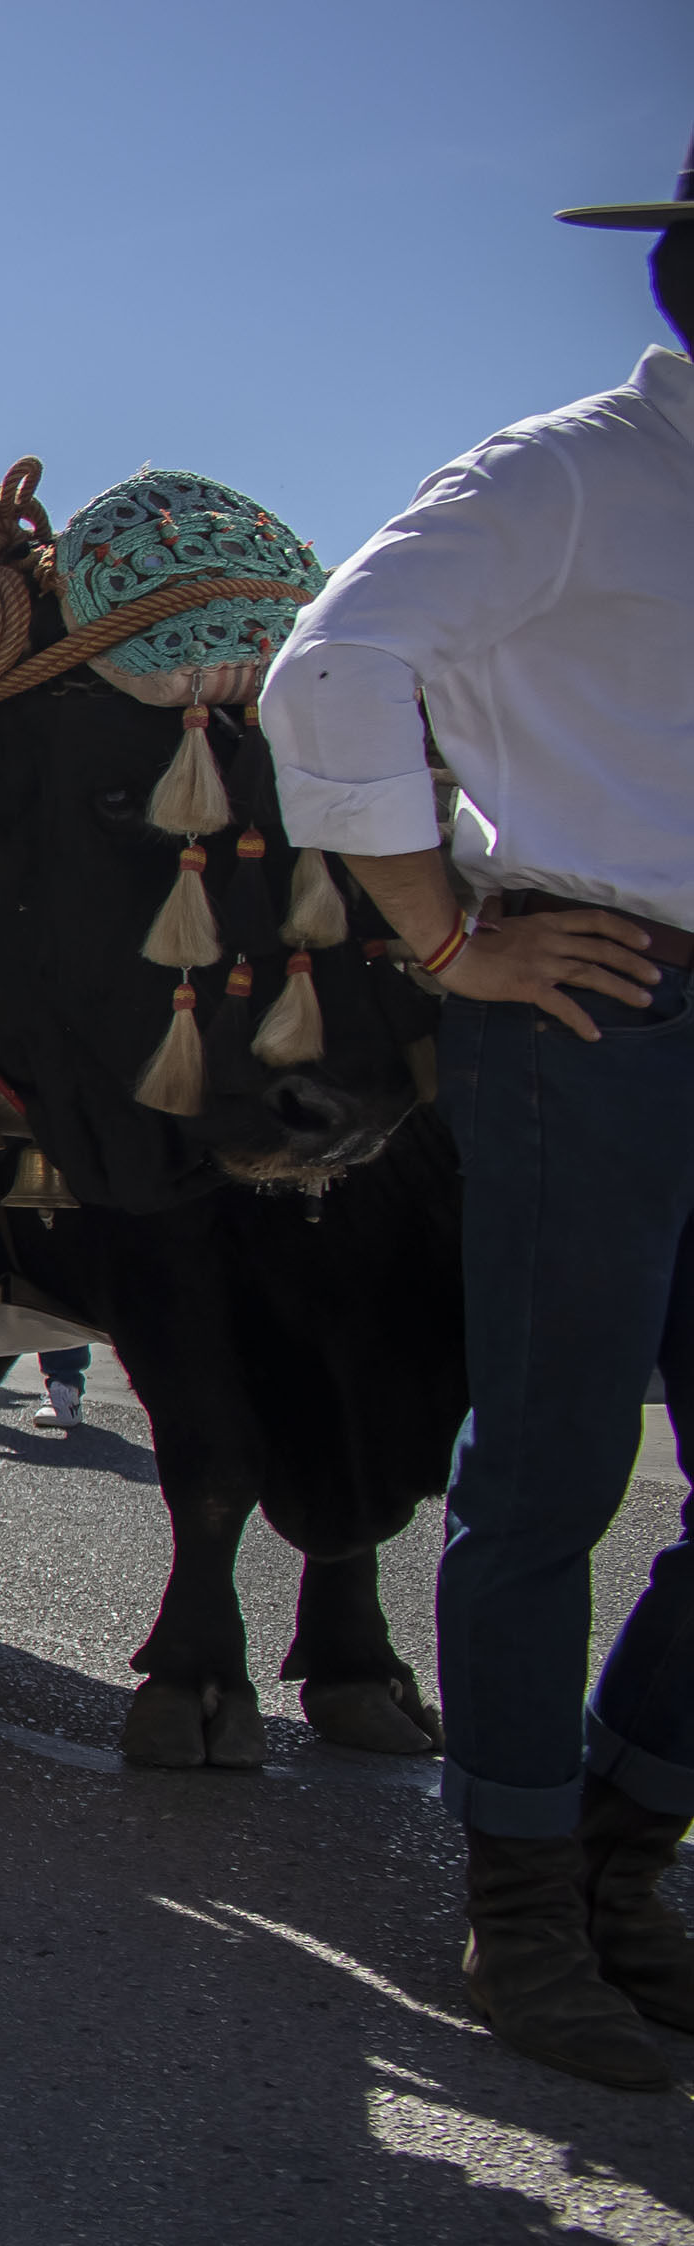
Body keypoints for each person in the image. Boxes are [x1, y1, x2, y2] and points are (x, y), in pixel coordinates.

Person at [262, 154, 694, 2093]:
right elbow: (336, 663)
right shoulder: (573, 472)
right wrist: (439, 933)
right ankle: (518, 1885)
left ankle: (620, 1839)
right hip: (598, 996)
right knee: (550, 1465)